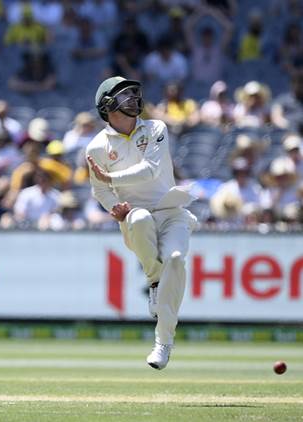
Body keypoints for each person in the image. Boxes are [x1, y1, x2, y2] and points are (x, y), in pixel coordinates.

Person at [86, 77, 198, 370]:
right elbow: (99, 191)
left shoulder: (156, 128)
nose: (135, 99)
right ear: (108, 105)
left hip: (171, 210)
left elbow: (150, 171)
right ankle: (154, 279)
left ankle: (163, 342)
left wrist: (111, 178)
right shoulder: (97, 147)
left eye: (135, 94)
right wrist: (115, 208)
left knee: (175, 260)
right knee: (140, 216)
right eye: (126, 95)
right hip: (135, 216)